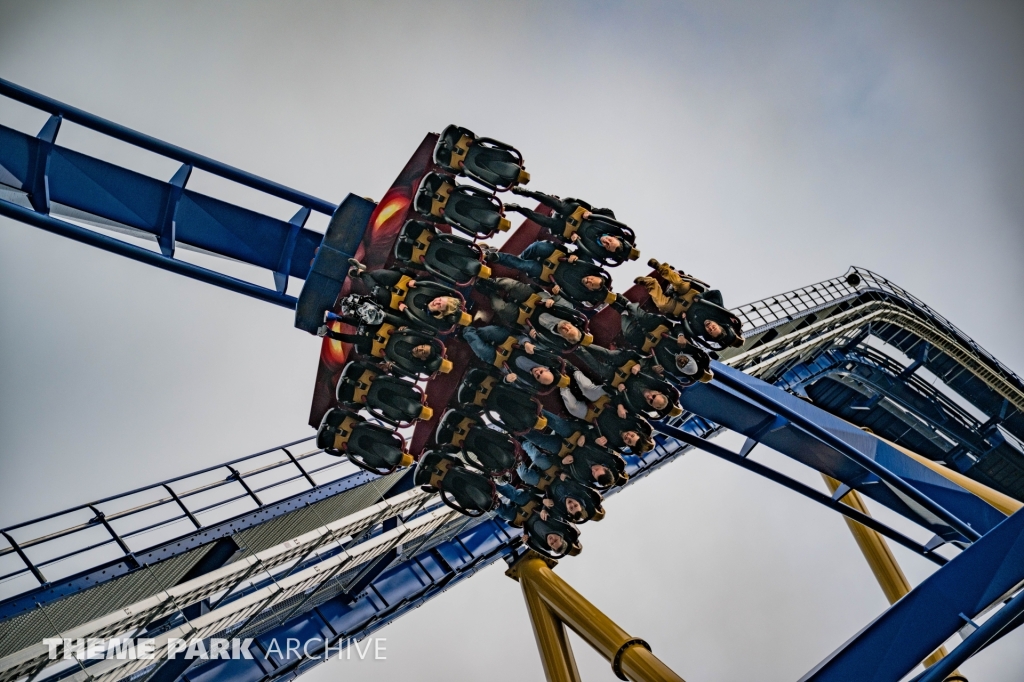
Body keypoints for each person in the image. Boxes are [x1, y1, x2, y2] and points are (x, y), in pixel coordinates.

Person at [504, 187, 638, 266]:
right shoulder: (612, 225)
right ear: (615, 237)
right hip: (577, 213)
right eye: (611, 241)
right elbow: (608, 212)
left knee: (546, 222)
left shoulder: (598, 252)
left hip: (569, 230)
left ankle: (517, 208)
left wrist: (575, 243)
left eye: (608, 246)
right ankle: (526, 192)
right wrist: (592, 213)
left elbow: (582, 252)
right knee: (557, 204)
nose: (607, 242)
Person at [348, 260, 468, 332]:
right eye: (440, 299)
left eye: (439, 305)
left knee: (376, 290)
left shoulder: (429, 320)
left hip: (399, 304)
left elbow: (410, 322)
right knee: (378, 274)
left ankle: (360, 272)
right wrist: (416, 282)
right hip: (406, 284)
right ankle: (363, 272)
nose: (437, 301)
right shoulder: (437, 290)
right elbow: (428, 279)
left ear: (441, 312)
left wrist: (403, 310)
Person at [488, 242, 614, 307]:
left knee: (525, 266)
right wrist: (574, 256)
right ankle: (516, 259)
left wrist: (557, 292)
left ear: (590, 289)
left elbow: (564, 299)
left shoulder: (579, 295)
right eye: (592, 278)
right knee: (536, 247)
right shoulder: (589, 265)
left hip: (549, 275)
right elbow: (582, 250)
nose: (589, 280)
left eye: (591, 284)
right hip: (557, 256)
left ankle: (498, 257)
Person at [573, 345, 682, 419]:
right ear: (659, 392)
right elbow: (649, 360)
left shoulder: (638, 404)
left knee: (601, 370)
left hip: (617, 378)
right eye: (653, 396)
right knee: (609, 354)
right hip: (628, 362)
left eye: (651, 402)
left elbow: (620, 398)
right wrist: (639, 364)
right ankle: (582, 340)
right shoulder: (658, 381)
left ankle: (577, 349)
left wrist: (620, 392)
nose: (650, 398)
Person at [461, 325, 567, 393]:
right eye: (541, 372)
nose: (537, 372)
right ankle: (472, 332)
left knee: (480, 349)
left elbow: (510, 383)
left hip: (499, 360)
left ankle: (465, 331)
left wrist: (507, 380)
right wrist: (527, 343)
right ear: (547, 369)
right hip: (510, 342)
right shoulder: (546, 357)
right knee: (488, 331)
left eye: (538, 377)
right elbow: (527, 338)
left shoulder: (528, 382)